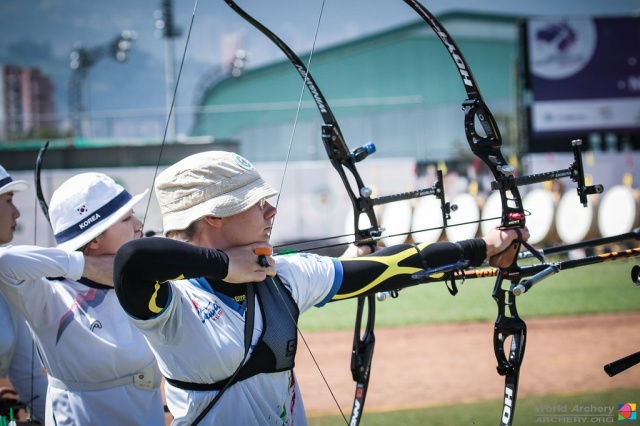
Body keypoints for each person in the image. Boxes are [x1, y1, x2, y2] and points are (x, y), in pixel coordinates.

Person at [113, 151, 528, 425]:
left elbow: (395, 265)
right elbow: (132, 260)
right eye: (255, 201)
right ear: (214, 216)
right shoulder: (171, 304)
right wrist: (225, 265)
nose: (271, 209)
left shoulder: (282, 275)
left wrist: (485, 247)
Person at [0, 172, 166, 425]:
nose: (138, 225)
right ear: (96, 238)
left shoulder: (142, 278)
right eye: (126, 218)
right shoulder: (50, 296)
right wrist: (86, 266)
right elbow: (4, 262)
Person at [0, 165, 48, 423]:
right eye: (8, 201)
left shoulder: (6, 278)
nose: (16, 212)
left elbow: (28, 373)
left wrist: (43, 420)